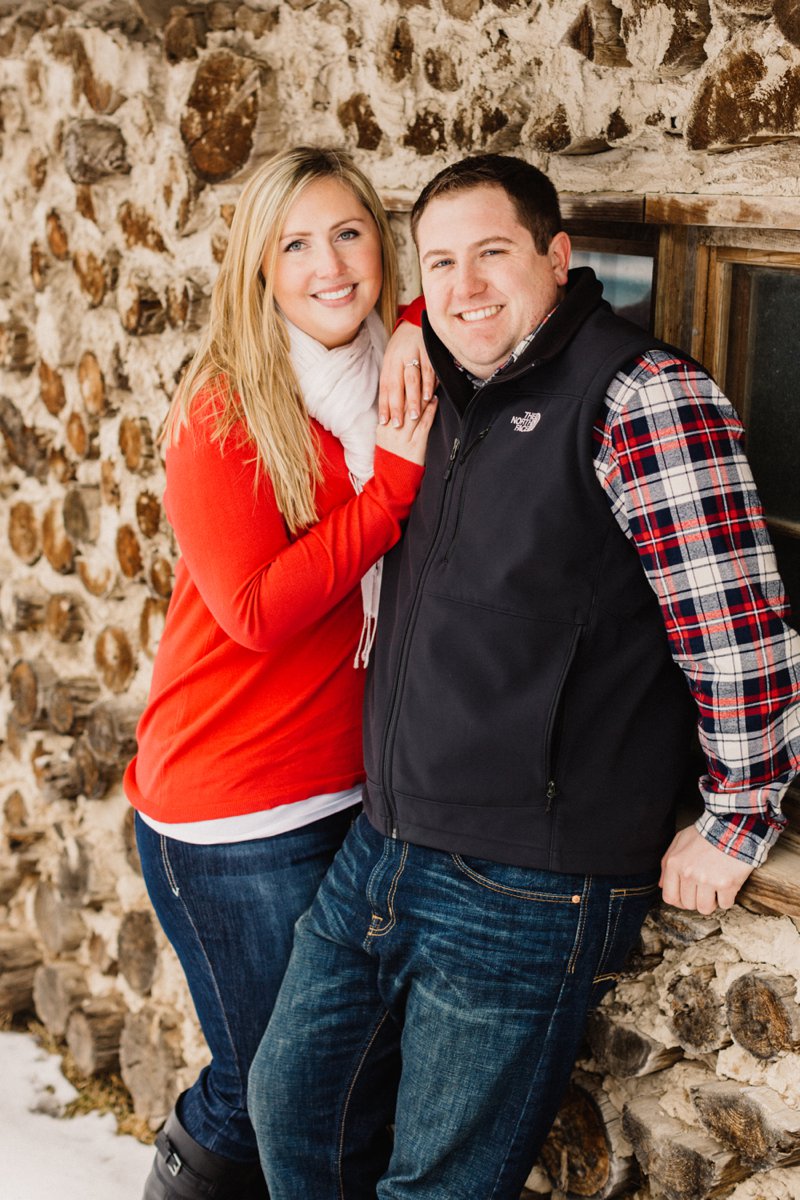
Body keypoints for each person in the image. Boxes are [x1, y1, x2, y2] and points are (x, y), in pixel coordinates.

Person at [248, 153, 800, 1199]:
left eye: (491, 254)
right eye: (440, 263)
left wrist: (738, 815)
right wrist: (413, 322)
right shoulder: (436, 383)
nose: (463, 288)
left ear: (557, 256)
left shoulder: (644, 398)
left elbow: (736, 624)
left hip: (526, 878)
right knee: (294, 1110)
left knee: (439, 1186)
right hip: (386, 844)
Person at [123, 145, 436, 1200]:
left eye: (348, 233)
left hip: (352, 790)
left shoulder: (396, 371)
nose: (328, 265)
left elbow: (474, 292)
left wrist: (410, 323)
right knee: (273, 1088)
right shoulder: (225, 413)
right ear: (257, 270)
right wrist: (390, 491)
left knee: (339, 1084)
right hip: (236, 812)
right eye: (294, 244)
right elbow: (254, 613)